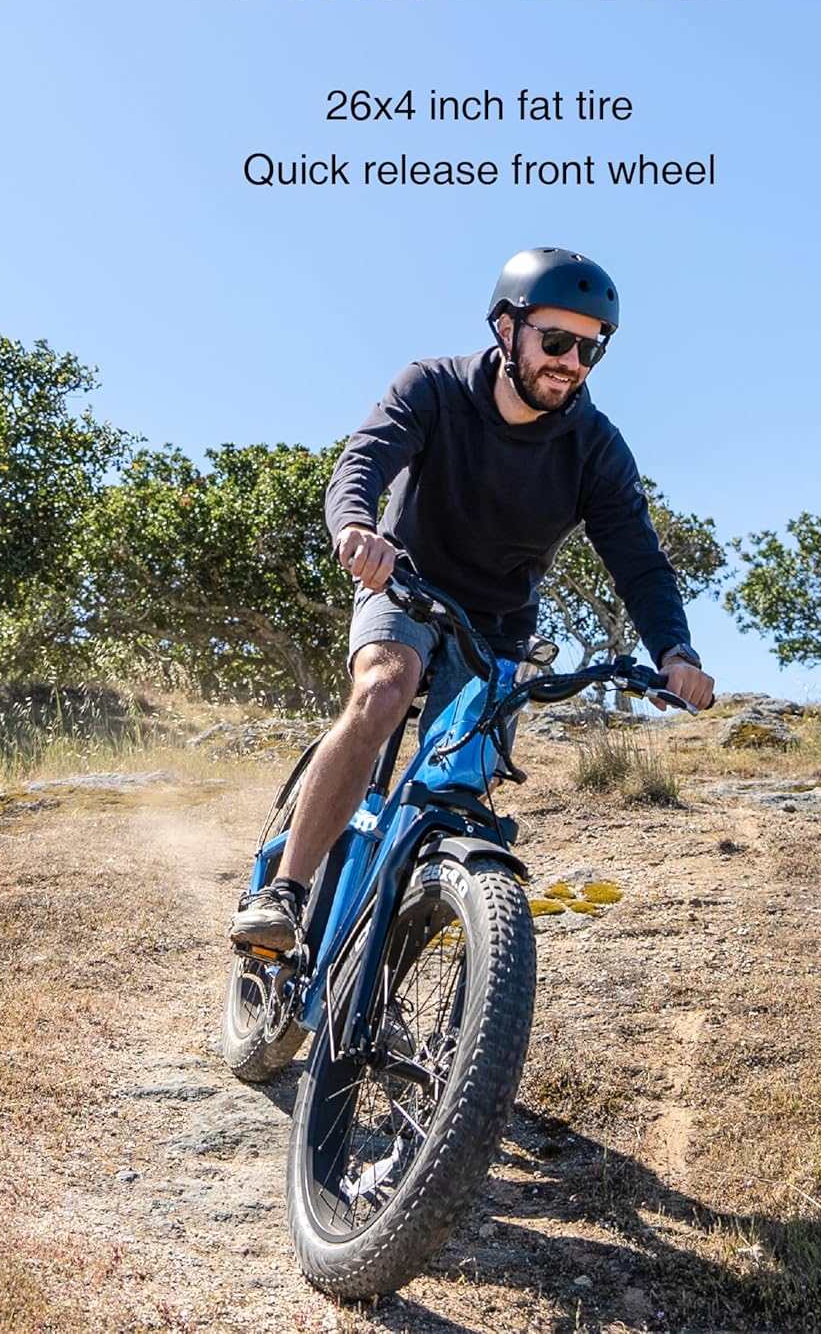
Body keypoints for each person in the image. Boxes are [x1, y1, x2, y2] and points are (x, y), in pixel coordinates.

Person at [229, 246, 715, 955]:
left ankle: (379, 979)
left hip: (498, 630)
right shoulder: (433, 387)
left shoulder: (596, 448)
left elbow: (639, 561)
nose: (572, 362)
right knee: (381, 695)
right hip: (406, 585)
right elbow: (364, 457)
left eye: (591, 349)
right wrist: (358, 528)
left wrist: (674, 650)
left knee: (457, 800)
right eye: (555, 342)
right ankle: (285, 893)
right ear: (506, 329)